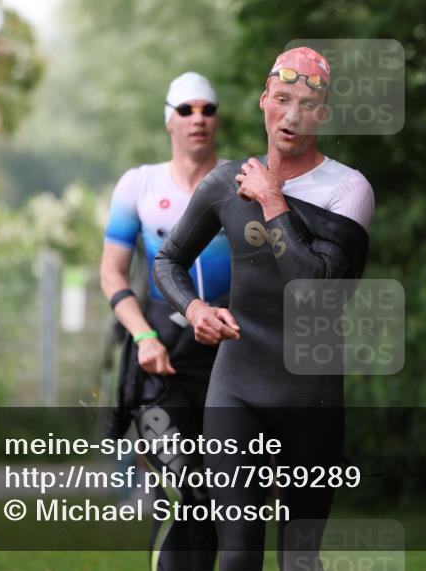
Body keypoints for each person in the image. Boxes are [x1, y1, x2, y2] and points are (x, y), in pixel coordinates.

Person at [153, 47, 374, 570]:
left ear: (324, 113)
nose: (292, 115)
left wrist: (273, 199)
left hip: (310, 397)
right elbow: (168, 262)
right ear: (263, 102)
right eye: (282, 99)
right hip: (236, 389)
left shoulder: (349, 190)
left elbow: (314, 287)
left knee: (298, 559)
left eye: (307, 103)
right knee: (236, 556)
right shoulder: (226, 183)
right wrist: (196, 310)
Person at [100, 71, 229, 571]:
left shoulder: (240, 182)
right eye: (186, 109)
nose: (198, 118)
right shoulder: (140, 184)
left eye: (207, 109)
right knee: (188, 487)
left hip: (225, 360)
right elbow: (111, 272)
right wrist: (144, 336)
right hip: (160, 358)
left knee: (221, 495)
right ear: (169, 121)